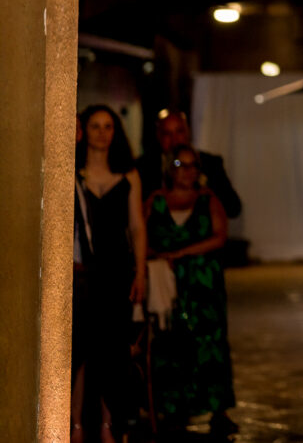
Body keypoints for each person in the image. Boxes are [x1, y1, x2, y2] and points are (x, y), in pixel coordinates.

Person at [145, 145, 237, 435]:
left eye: (193, 165)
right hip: (169, 284)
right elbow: (139, 236)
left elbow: (220, 237)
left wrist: (182, 253)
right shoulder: (156, 201)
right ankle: (172, 407)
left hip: (202, 284)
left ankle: (217, 408)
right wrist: (157, 259)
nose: (188, 171)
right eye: (181, 165)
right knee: (171, 343)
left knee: (209, 344)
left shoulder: (208, 200)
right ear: (170, 168)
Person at [74, 105, 147, 443]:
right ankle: (74, 424)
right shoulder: (74, 173)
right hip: (83, 272)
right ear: (83, 131)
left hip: (117, 271)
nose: (102, 132)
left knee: (113, 350)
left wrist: (141, 273)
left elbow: (136, 227)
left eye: (108, 126)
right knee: (81, 349)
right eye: (95, 126)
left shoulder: (128, 174)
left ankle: (107, 424)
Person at [137, 110, 242, 220]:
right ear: (158, 136)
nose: (174, 140)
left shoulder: (209, 163)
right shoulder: (144, 166)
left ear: (188, 132)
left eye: (179, 132)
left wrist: (205, 191)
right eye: (167, 134)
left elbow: (233, 208)